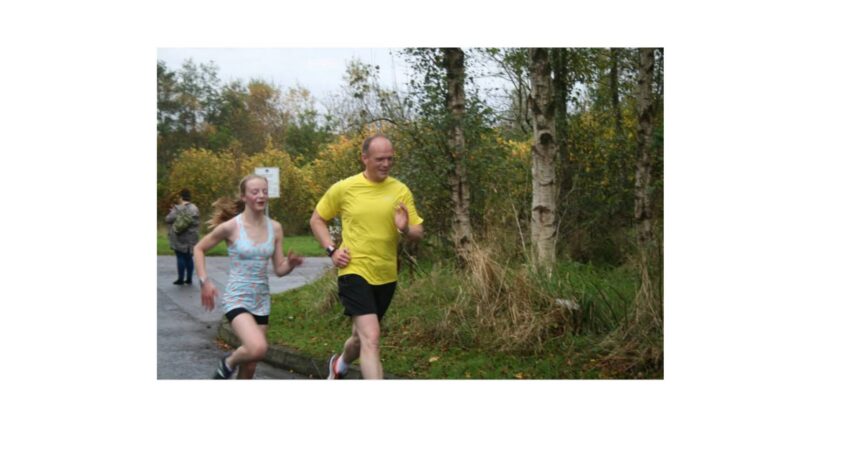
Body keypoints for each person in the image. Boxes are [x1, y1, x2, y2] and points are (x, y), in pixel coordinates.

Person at [310, 134, 424, 379]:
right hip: (353, 269)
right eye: (379, 159)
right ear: (364, 158)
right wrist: (332, 250)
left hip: (386, 274)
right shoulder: (345, 188)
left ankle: (339, 365)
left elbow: (418, 231)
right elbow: (317, 219)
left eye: (390, 159)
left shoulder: (400, 190)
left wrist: (405, 228)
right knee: (371, 337)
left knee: (360, 338)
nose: (385, 164)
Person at [194, 175, 304, 379]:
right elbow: (199, 248)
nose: (261, 195)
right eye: (255, 192)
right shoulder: (231, 227)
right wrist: (204, 281)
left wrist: (291, 264)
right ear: (244, 196)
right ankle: (228, 362)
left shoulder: (275, 227)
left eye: (264, 191)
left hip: (261, 300)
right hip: (237, 298)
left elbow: (279, 269)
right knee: (257, 347)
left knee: (251, 365)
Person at [165, 188, 200, 285]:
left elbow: (168, 219)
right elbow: (196, 222)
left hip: (179, 236)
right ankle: (189, 279)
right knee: (189, 257)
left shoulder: (177, 208)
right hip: (192, 236)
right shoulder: (195, 208)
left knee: (180, 256)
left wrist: (172, 211)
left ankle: (180, 279)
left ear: (181, 197)